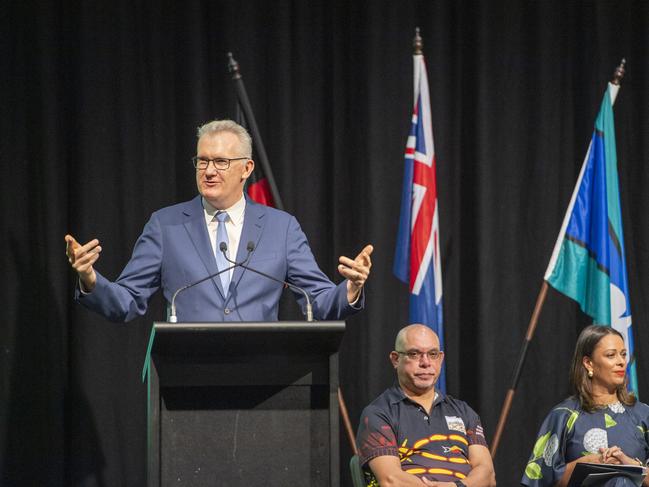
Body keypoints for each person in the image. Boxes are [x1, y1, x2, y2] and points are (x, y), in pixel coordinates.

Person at [65, 119, 373, 323]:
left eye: (221, 162)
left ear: (246, 168)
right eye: (202, 161)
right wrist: (91, 278)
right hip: (187, 381)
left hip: (263, 381)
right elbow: (127, 302)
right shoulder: (165, 226)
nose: (209, 170)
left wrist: (352, 287)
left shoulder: (282, 228)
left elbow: (318, 301)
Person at [356, 324, 496, 487]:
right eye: (414, 354)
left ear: (441, 359)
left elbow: (487, 474)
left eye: (433, 354)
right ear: (395, 359)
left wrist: (457, 486)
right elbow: (391, 480)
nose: (426, 362)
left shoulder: (464, 412)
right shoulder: (379, 413)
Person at [521, 325, 649, 487]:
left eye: (623, 354)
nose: (621, 362)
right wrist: (585, 464)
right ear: (588, 363)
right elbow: (539, 479)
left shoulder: (643, 414)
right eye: (611, 355)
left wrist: (630, 464)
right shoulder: (563, 415)